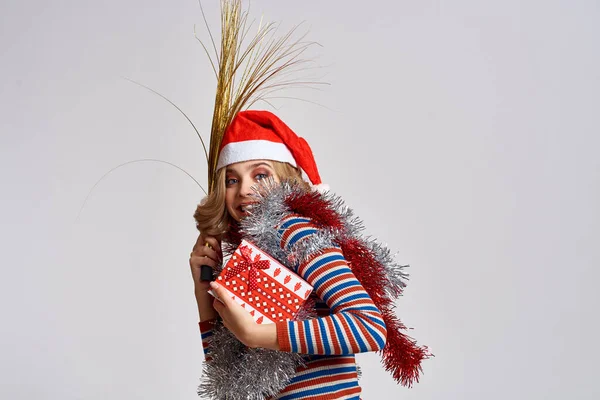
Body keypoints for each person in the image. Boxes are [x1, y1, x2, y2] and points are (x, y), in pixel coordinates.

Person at [189, 110, 388, 399]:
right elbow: (229, 386)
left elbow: (369, 326)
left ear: (285, 180)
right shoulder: (252, 256)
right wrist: (203, 290)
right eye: (231, 180)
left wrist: (258, 335)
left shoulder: (296, 232)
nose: (244, 189)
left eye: (260, 174)